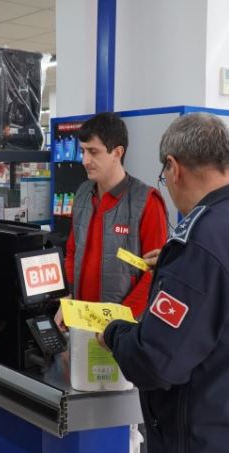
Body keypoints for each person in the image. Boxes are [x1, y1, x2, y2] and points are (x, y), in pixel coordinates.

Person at [99, 113, 229, 453]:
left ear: (173, 168)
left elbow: (153, 362)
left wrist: (113, 333)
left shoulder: (202, 242)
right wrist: (175, 273)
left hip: (206, 448)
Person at [56, 112, 167, 326]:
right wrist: (68, 297)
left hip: (124, 329)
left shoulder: (147, 202)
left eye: (93, 152)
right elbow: (72, 251)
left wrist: (120, 322)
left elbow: (155, 273)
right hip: (80, 320)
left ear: (117, 152)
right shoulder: (82, 194)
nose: (85, 161)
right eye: (83, 151)